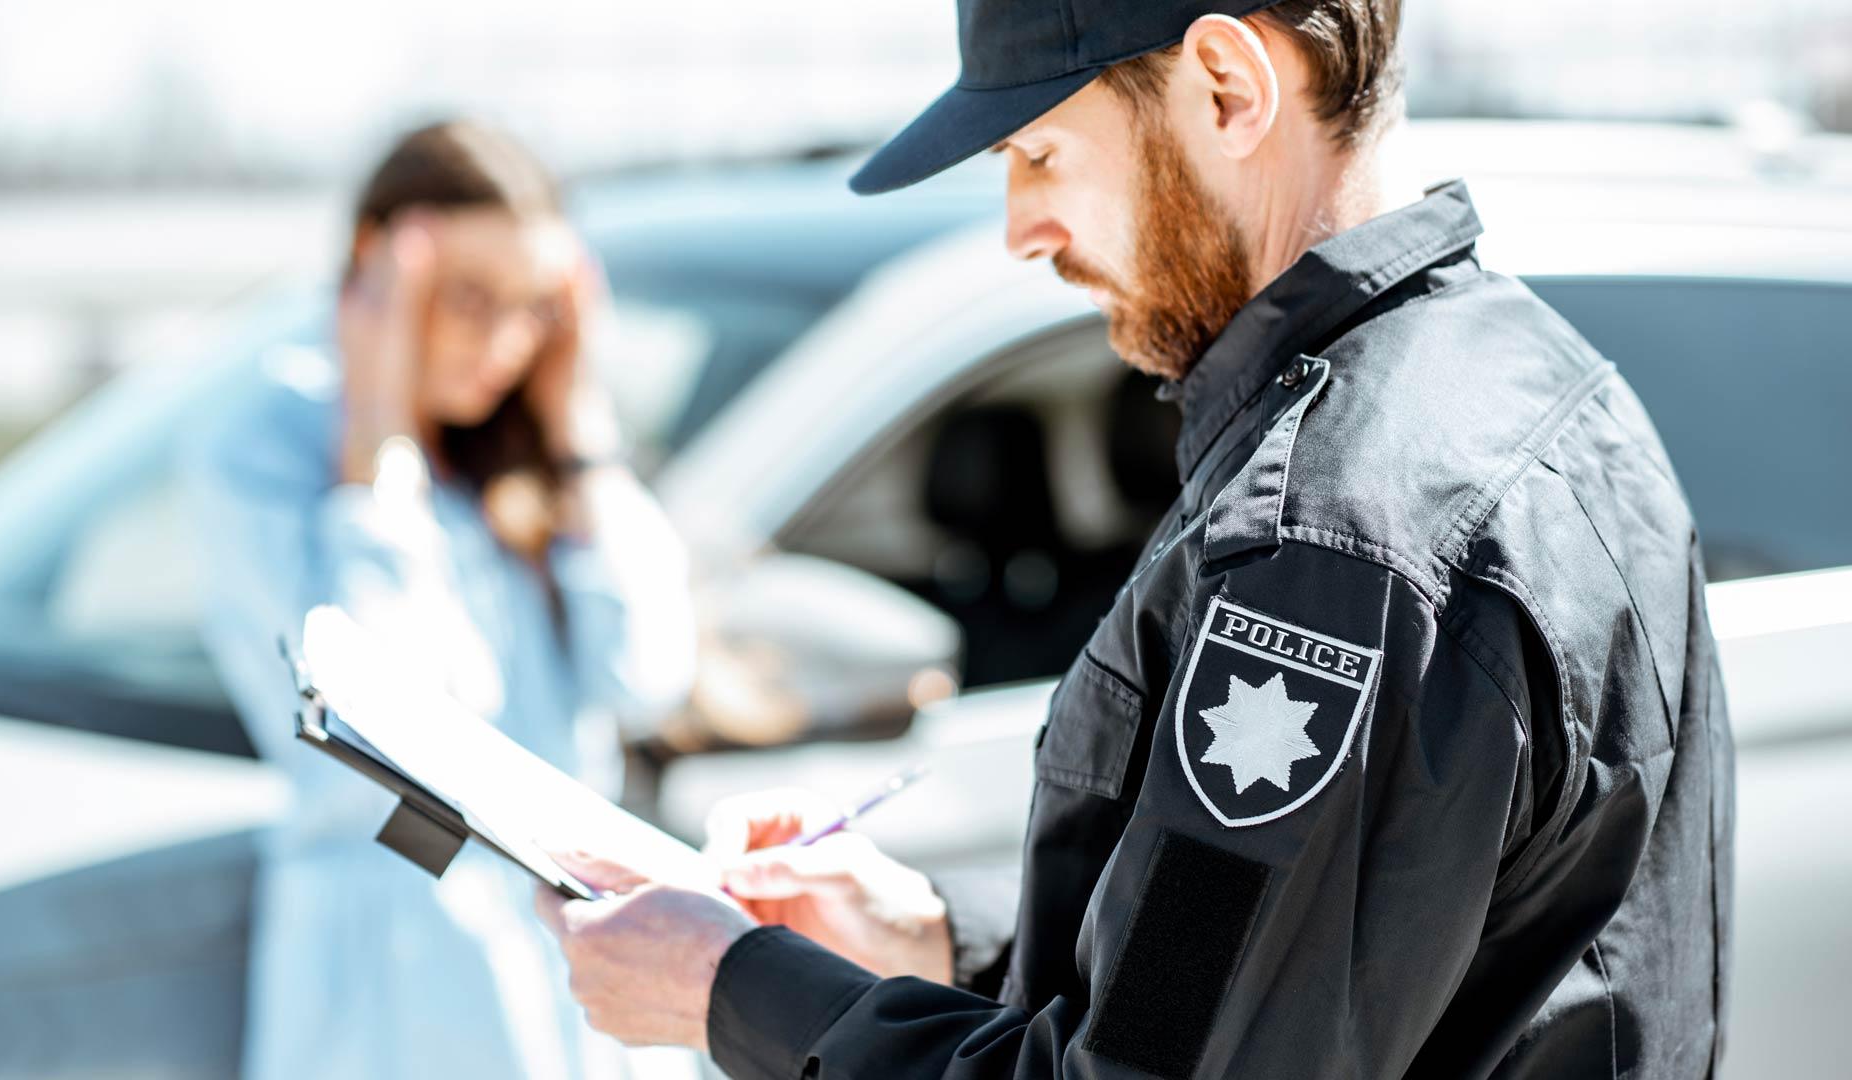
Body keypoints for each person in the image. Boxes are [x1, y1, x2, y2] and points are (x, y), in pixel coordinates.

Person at [534, 2, 1735, 1078]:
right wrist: (945, 944)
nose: (1021, 230)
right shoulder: (1546, 386)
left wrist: (734, 992)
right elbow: (1299, 982)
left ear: (1226, 86)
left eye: (1041, 154)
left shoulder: (1333, 549)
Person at [189, 120, 695, 1079]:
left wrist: (578, 420)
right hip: (398, 987)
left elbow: (645, 677)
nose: (506, 341)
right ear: (377, 269)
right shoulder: (262, 446)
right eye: (468, 298)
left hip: (575, 981)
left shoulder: (519, 449)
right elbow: (383, 724)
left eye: (533, 306)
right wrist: (378, 433)